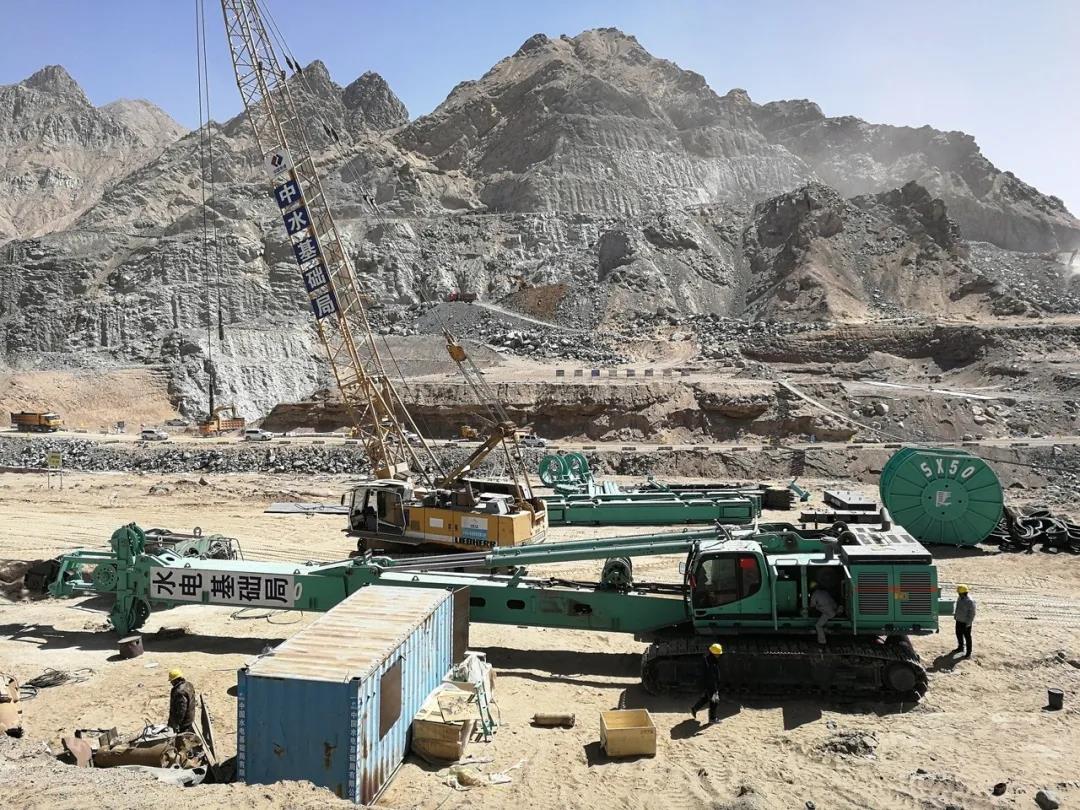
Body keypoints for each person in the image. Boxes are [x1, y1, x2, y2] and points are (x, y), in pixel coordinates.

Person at [691, 643, 724, 724]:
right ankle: (712, 718)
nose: (719, 655)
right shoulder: (710, 663)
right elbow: (711, 677)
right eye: (717, 654)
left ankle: (694, 709)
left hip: (707, 684)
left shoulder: (708, 659)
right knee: (714, 701)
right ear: (713, 654)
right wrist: (715, 689)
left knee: (706, 698)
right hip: (710, 684)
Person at [167, 669, 197, 734]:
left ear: (176, 680)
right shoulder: (189, 684)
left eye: (172, 681)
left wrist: (177, 724)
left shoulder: (179, 692)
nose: (171, 683)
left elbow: (181, 710)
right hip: (190, 716)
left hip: (184, 722)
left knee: (181, 737)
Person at [953, 584, 975, 658]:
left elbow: (972, 614)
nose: (958, 594)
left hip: (966, 623)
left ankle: (968, 653)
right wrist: (955, 615)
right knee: (958, 634)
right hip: (959, 620)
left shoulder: (970, 601)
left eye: (959, 593)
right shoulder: (960, 598)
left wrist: (968, 623)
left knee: (967, 637)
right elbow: (957, 607)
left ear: (963, 593)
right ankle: (960, 647)